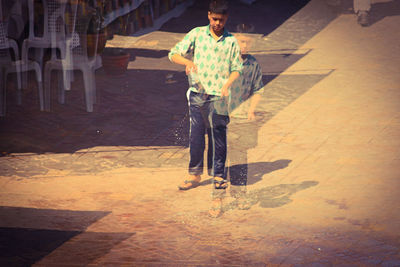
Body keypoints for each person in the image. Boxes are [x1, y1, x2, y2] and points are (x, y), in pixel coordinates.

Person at [168, 0, 243, 217]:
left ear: (226, 18)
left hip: (219, 97)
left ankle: (218, 175)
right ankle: (194, 174)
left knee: (218, 136)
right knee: (196, 136)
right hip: (198, 94)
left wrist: (228, 84)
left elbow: (237, 68)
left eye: (221, 20)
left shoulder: (231, 42)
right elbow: (173, 53)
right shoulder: (197, 34)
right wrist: (186, 63)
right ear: (209, 16)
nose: (217, 23)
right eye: (214, 19)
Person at [227, 30, 265, 210]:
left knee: (240, 154)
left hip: (241, 118)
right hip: (221, 115)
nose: (245, 45)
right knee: (219, 155)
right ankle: (217, 196)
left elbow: (258, 89)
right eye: (242, 41)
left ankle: (239, 193)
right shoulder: (223, 60)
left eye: (249, 42)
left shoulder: (252, 63)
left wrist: (251, 110)